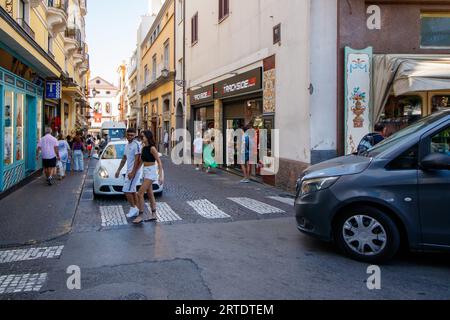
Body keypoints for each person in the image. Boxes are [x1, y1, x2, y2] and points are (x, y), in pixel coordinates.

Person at [135, 130, 165, 224]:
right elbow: (141, 162)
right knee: (150, 194)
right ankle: (154, 214)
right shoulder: (143, 148)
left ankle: (140, 215)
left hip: (151, 172)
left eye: (143, 136)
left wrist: (161, 176)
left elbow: (159, 162)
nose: (142, 138)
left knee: (139, 193)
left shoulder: (152, 148)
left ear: (147, 137)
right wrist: (134, 172)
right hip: (145, 171)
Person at [115, 128, 143, 220]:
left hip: (133, 172)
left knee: (126, 191)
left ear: (135, 135)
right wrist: (118, 170)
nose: (129, 136)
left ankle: (133, 208)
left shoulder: (137, 145)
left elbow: (138, 160)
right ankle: (136, 209)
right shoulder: (127, 145)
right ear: (126, 135)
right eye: (128, 135)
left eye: (132, 135)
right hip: (129, 171)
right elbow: (124, 159)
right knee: (132, 191)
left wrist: (133, 172)